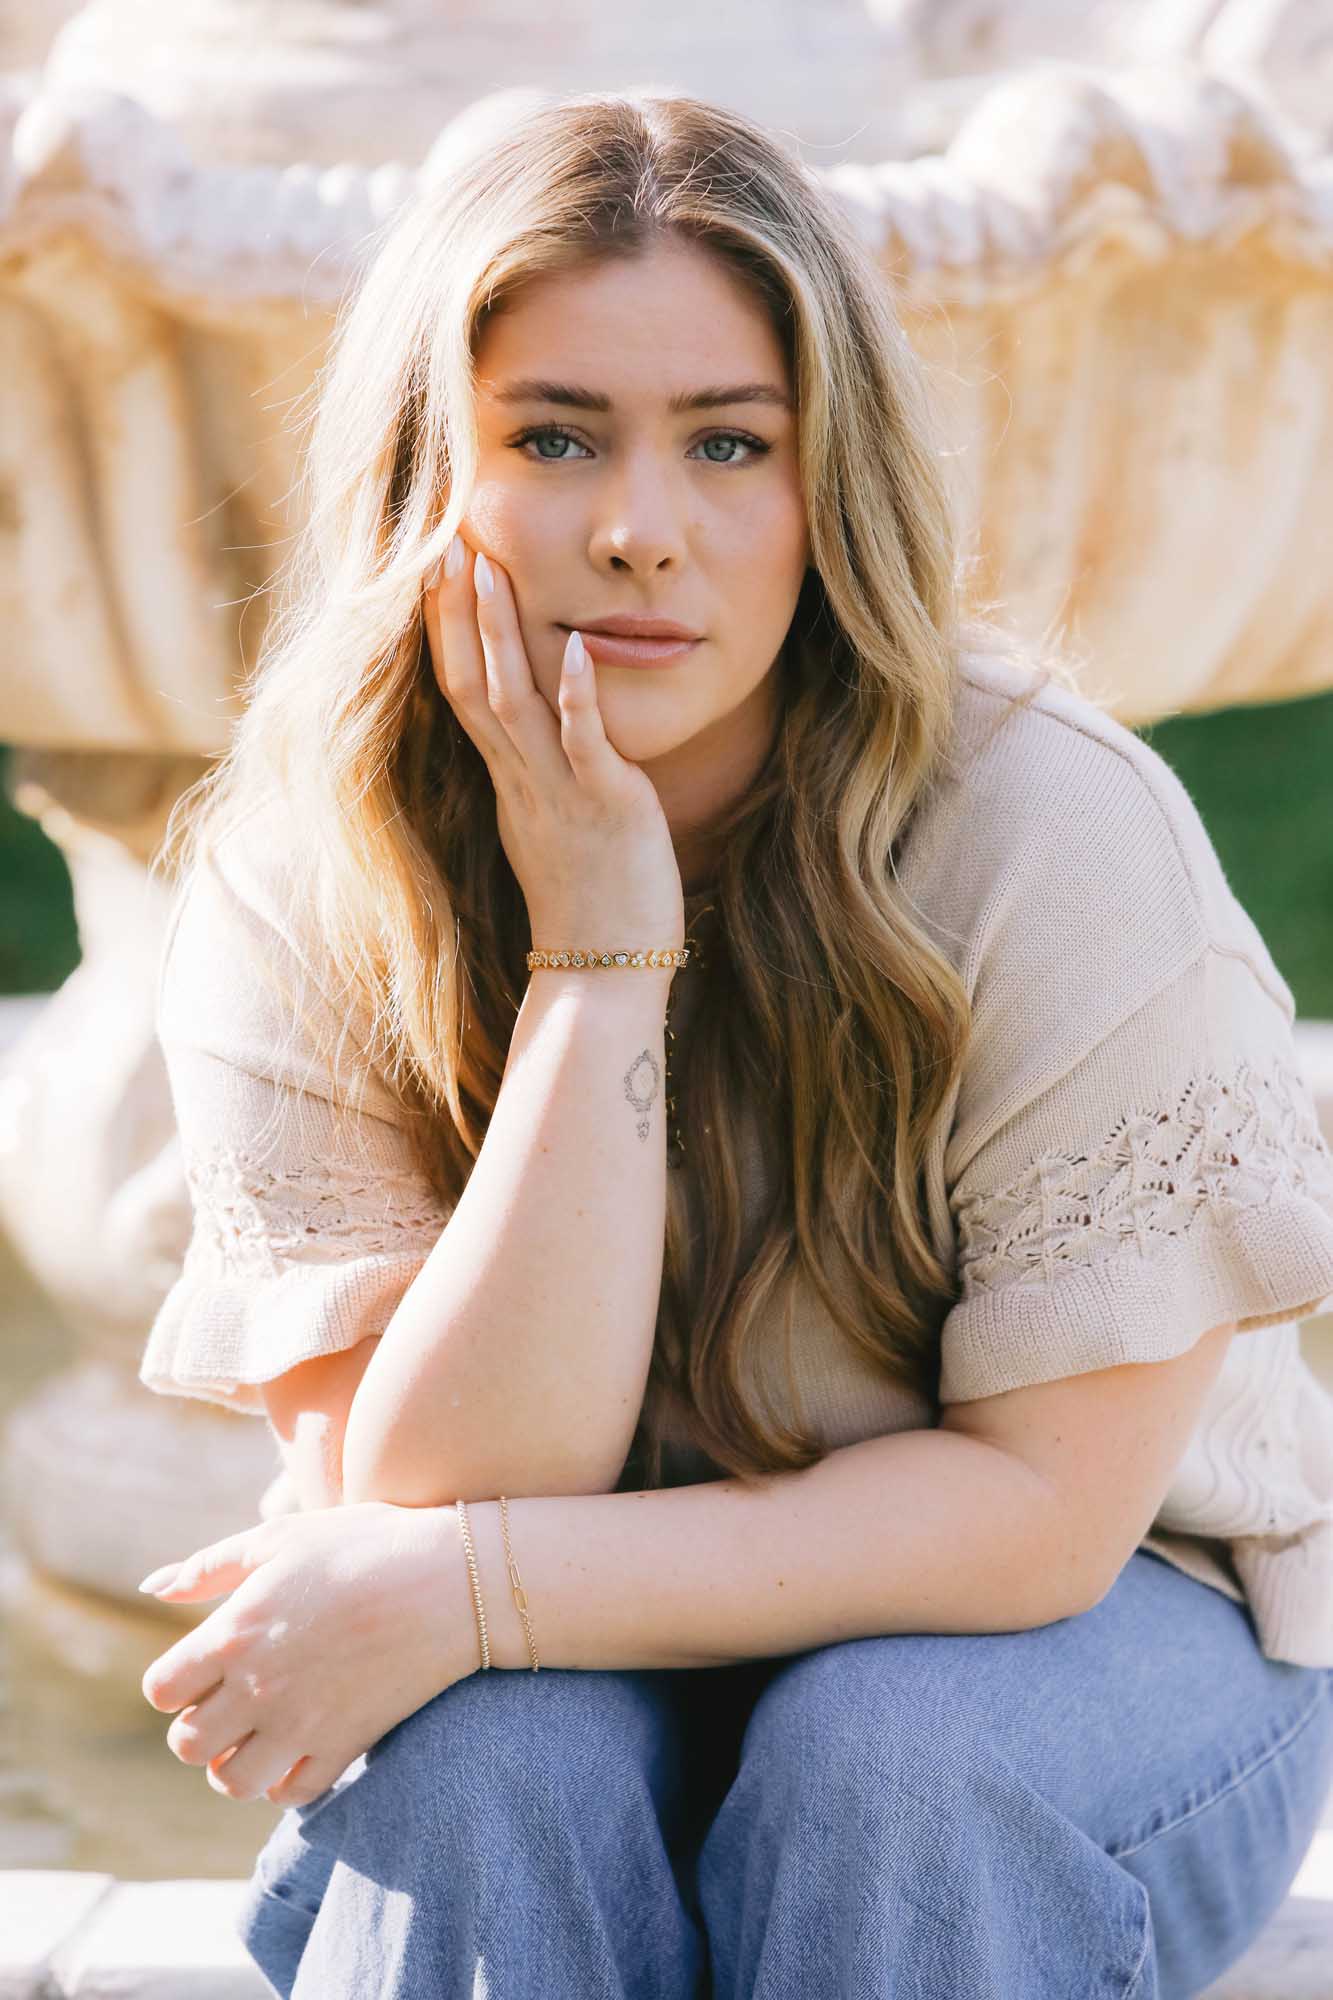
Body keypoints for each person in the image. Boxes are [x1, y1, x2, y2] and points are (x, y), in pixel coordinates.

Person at [134, 87, 1333, 1999]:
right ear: (427, 478)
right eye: (552, 437)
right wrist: (598, 949)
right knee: (476, 1771)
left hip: (1087, 1648)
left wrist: (472, 1589)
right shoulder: (304, 871)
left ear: (825, 479)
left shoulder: (1048, 826)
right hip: (572, 1671)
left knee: (888, 1769)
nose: (638, 533)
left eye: (726, 443)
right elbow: (429, 1487)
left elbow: (1034, 1518)